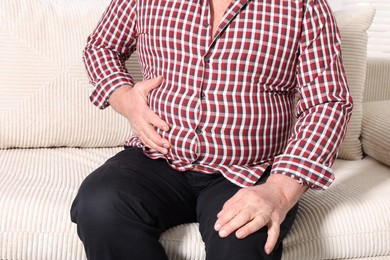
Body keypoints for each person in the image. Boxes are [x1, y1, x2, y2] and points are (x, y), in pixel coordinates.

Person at [70, 0, 353, 259]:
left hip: (251, 171)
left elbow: (328, 101)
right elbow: (101, 47)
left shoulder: (303, 5)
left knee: (241, 242)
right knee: (100, 205)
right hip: (159, 154)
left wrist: (279, 190)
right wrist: (125, 99)